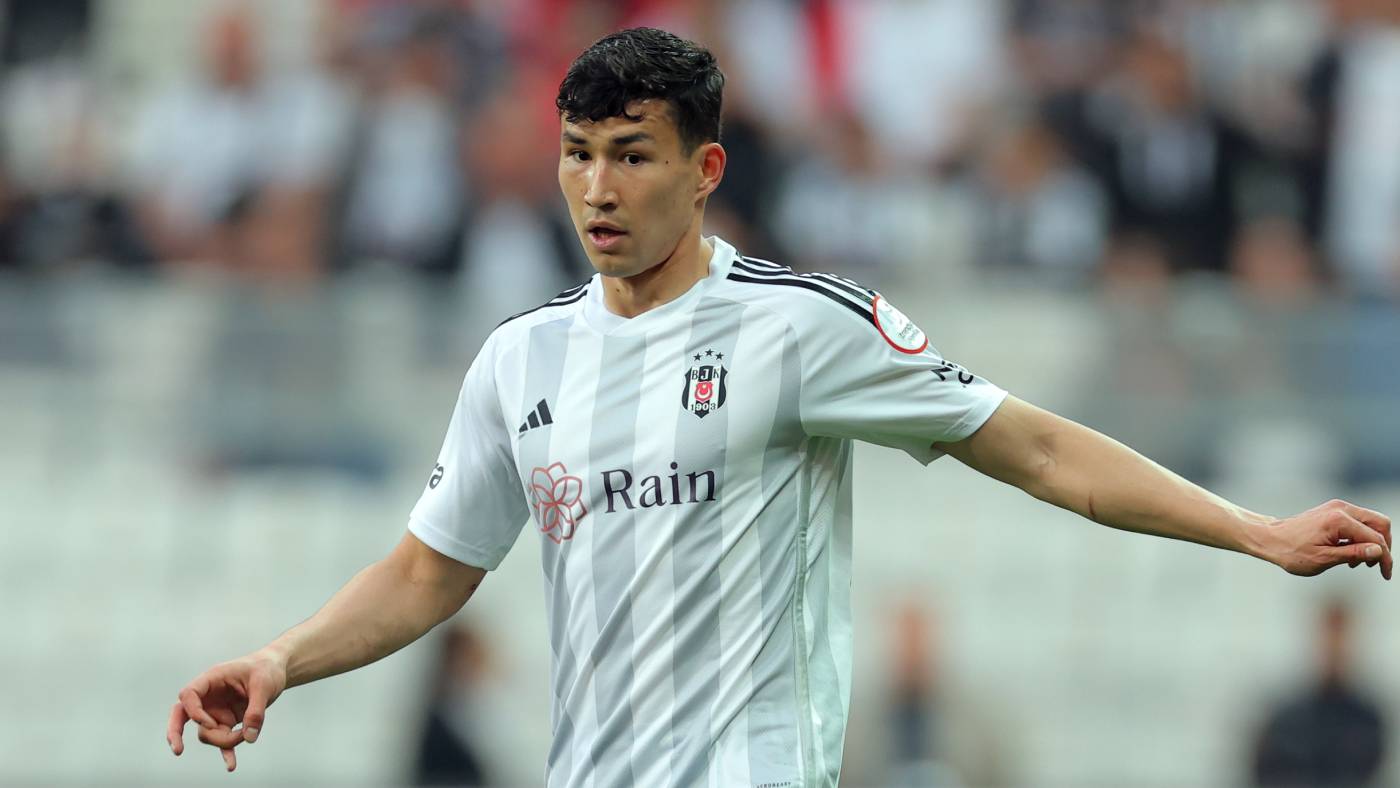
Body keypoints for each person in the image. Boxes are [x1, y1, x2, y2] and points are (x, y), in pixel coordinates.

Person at [166, 28, 1393, 787]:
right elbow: (427, 571)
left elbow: (1033, 448)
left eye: (631, 154)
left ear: (703, 170)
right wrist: (280, 659)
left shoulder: (800, 326)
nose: (597, 187)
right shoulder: (517, 359)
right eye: (577, 152)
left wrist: (1252, 528)